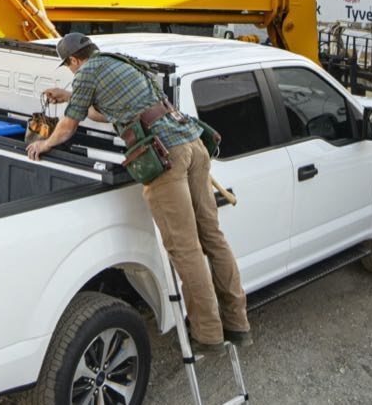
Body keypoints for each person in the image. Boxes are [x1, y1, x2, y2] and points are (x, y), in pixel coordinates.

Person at [26, 33, 251, 355]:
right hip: (193, 145)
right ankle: (237, 323)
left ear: (74, 61)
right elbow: (109, 113)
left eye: (70, 68)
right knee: (212, 236)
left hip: (165, 154)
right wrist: (68, 95)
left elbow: (68, 127)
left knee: (184, 247)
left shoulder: (87, 72)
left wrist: (44, 144)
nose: (72, 73)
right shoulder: (121, 62)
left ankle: (209, 334)